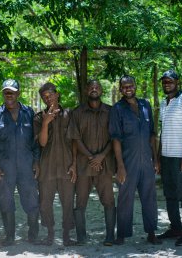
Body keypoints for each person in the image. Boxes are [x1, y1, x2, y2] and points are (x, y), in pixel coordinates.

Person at [109, 75, 161, 245]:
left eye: (131, 85)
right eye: (124, 86)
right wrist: (120, 166)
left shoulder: (146, 105)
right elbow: (116, 138)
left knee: (149, 196)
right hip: (128, 161)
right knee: (125, 197)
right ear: (120, 89)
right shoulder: (117, 109)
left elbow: (152, 135)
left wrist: (155, 159)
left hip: (146, 160)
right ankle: (122, 234)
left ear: (135, 86)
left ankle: (152, 232)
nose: (128, 88)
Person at [0, 79, 40, 246]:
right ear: (3, 94)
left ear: (18, 93)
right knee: (6, 201)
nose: (9, 95)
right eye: (6, 92)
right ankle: (9, 237)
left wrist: (36, 162)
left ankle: (33, 235)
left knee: (31, 200)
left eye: (12, 92)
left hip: (26, 166)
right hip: (5, 168)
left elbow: (36, 140)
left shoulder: (29, 113)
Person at [68, 79, 116, 246]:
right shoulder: (77, 112)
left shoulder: (111, 111)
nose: (94, 89)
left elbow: (114, 138)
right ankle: (81, 237)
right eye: (91, 87)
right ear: (86, 90)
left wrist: (101, 156)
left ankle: (110, 236)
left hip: (105, 165)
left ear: (101, 90)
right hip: (83, 165)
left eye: (97, 87)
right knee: (80, 202)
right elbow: (75, 138)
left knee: (109, 201)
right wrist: (91, 157)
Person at [157, 70, 182, 246]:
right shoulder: (164, 103)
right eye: (164, 81)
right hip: (166, 157)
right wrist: (158, 158)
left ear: (177, 82)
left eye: (170, 81)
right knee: (170, 194)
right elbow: (162, 133)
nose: (167, 84)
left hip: (181, 157)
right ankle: (176, 228)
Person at [33, 82, 77, 246]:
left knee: (67, 201)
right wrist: (46, 122)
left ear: (57, 94)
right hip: (47, 167)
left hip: (66, 166)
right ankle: (50, 235)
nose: (48, 98)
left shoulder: (69, 114)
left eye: (50, 94)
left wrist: (74, 164)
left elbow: (74, 141)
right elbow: (42, 143)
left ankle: (66, 236)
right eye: (44, 96)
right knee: (45, 202)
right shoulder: (38, 117)